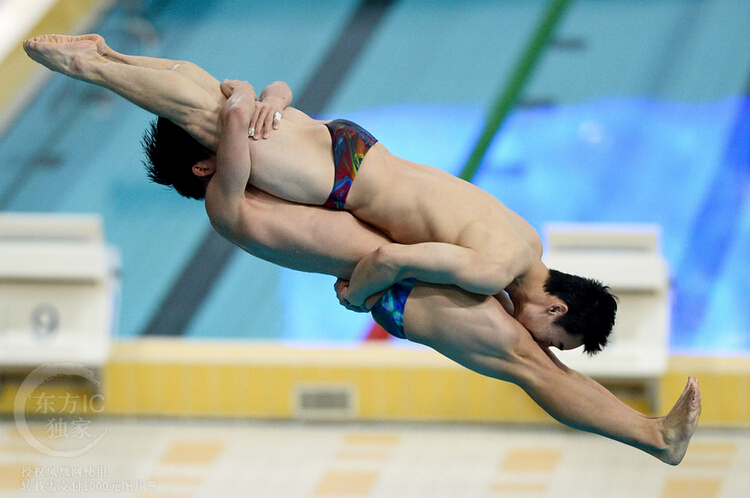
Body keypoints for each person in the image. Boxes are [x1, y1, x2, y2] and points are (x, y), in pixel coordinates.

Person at [23, 34, 701, 465]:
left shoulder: (520, 242)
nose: (552, 339)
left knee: (209, 99)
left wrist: (267, 95)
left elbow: (238, 106)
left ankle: (106, 60)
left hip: (354, 155)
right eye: (562, 331)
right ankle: (96, 64)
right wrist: (359, 291)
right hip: (380, 253)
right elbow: (392, 257)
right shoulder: (228, 207)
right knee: (534, 369)